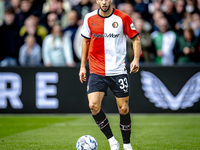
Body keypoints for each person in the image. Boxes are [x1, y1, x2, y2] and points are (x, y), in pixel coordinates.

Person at [79, 0, 141, 150]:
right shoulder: (89, 18)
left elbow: (136, 39)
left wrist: (136, 59)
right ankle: (112, 141)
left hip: (118, 70)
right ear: (97, 1)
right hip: (96, 70)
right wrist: (82, 66)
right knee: (93, 105)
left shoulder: (123, 18)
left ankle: (127, 145)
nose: (104, 2)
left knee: (123, 108)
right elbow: (85, 42)